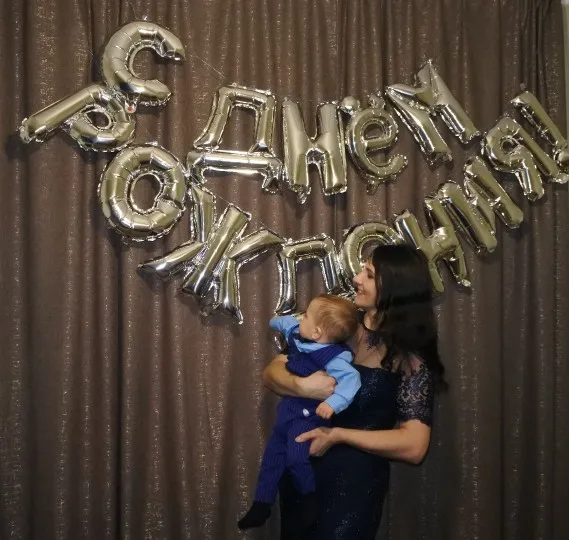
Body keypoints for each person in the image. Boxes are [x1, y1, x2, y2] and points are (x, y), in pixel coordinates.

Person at [262, 244, 447, 540]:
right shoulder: (339, 323)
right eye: (362, 269)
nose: (357, 279)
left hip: (352, 488)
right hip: (300, 478)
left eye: (369, 275)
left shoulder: (409, 356)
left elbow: (414, 446)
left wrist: (337, 435)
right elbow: (272, 373)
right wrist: (302, 386)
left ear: (395, 286)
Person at [238, 295, 361, 530]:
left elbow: (352, 380)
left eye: (305, 316)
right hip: (287, 413)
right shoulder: (298, 334)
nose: (300, 318)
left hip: (307, 418)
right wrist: (274, 321)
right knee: (271, 459)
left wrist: (333, 403)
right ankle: (261, 504)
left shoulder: (334, 358)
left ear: (316, 332)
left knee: (296, 457)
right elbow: (284, 323)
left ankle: (308, 497)